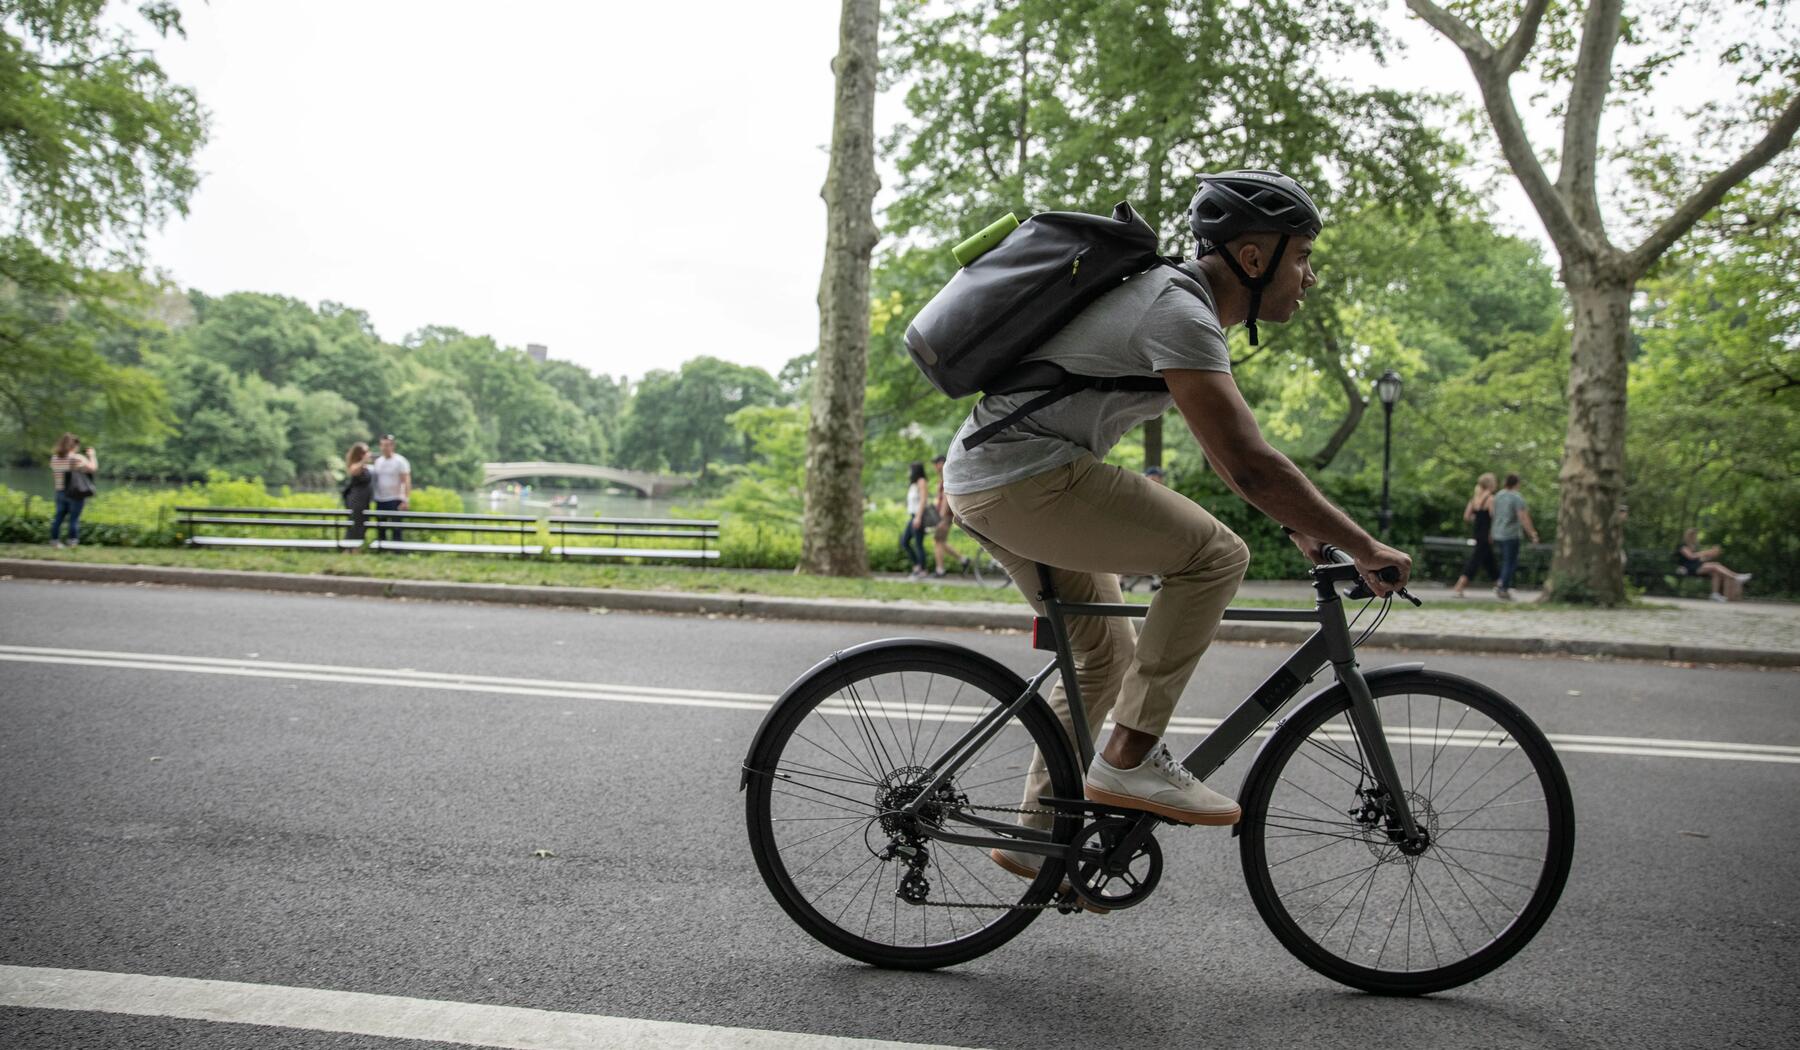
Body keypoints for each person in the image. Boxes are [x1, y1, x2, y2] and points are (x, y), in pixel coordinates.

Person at [941, 170, 1410, 882]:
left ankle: (1040, 835)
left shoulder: (1175, 306)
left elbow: (1228, 451)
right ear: (1254, 259)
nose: (1309, 277)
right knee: (1215, 556)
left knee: (1103, 655)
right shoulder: (1177, 312)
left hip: (990, 480)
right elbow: (1249, 461)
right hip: (1025, 479)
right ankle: (1129, 758)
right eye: (1303, 257)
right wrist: (1362, 542)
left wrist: (1305, 525)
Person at [1489, 473, 1538, 600]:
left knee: (1504, 561)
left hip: (1498, 533)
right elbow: (1523, 517)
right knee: (1509, 562)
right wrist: (1532, 533)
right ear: (1517, 483)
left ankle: (1501, 583)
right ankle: (1503, 588)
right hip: (1511, 534)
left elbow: (1493, 514)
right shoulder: (1516, 497)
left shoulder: (1498, 496)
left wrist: (1492, 531)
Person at [1451, 472, 1499, 597]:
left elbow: (1467, 516)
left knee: (1489, 561)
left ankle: (1500, 585)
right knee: (1475, 560)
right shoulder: (1490, 498)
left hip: (1477, 533)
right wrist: (1492, 533)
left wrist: (1478, 519)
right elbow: (1494, 517)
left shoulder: (1475, 499)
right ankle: (1459, 586)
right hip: (1486, 534)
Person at [47, 433, 97, 548]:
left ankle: (54, 541)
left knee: (58, 517)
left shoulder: (54, 458)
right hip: (75, 493)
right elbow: (92, 469)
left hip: (59, 491)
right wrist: (92, 455)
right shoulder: (76, 458)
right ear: (73, 446)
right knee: (74, 518)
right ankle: (72, 542)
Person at [1676, 528, 1751, 602]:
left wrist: (1712, 555)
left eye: (1695, 536)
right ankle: (1736, 577)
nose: (1695, 537)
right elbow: (1691, 556)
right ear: (1689, 536)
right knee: (1715, 565)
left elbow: (1700, 560)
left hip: (1697, 567)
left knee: (1715, 572)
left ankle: (1714, 594)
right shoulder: (1682, 546)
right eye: (1694, 535)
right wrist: (1708, 551)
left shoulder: (1694, 547)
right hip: (1688, 569)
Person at [929, 454, 972, 577]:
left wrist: (941, 518)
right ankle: (964, 560)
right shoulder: (944, 478)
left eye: (936, 464)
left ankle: (940, 570)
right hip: (944, 516)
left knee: (938, 541)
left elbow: (946, 499)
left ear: (941, 464)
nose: (934, 467)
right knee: (940, 541)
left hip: (945, 516)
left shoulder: (946, 477)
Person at [368, 434, 412, 546]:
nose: (384, 448)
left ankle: (397, 549)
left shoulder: (400, 461)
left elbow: (406, 481)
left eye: (387, 445)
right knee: (381, 527)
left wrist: (405, 499)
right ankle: (382, 548)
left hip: (395, 498)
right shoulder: (378, 461)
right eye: (382, 445)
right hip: (380, 499)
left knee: (396, 527)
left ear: (392, 446)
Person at [900, 461, 930, 579]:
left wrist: (918, 517)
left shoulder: (921, 481)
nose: (908, 472)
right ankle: (918, 566)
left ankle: (922, 570)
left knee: (918, 544)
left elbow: (923, 500)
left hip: (919, 516)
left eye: (910, 470)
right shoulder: (913, 484)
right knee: (905, 541)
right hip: (913, 516)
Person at [341, 442, 374, 546]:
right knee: (355, 524)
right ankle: (348, 547)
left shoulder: (366, 467)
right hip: (357, 500)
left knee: (363, 523)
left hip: (365, 499)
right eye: (365, 452)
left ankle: (357, 547)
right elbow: (353, 471)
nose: (368, 454)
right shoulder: (355, 465)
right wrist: (364, 460)